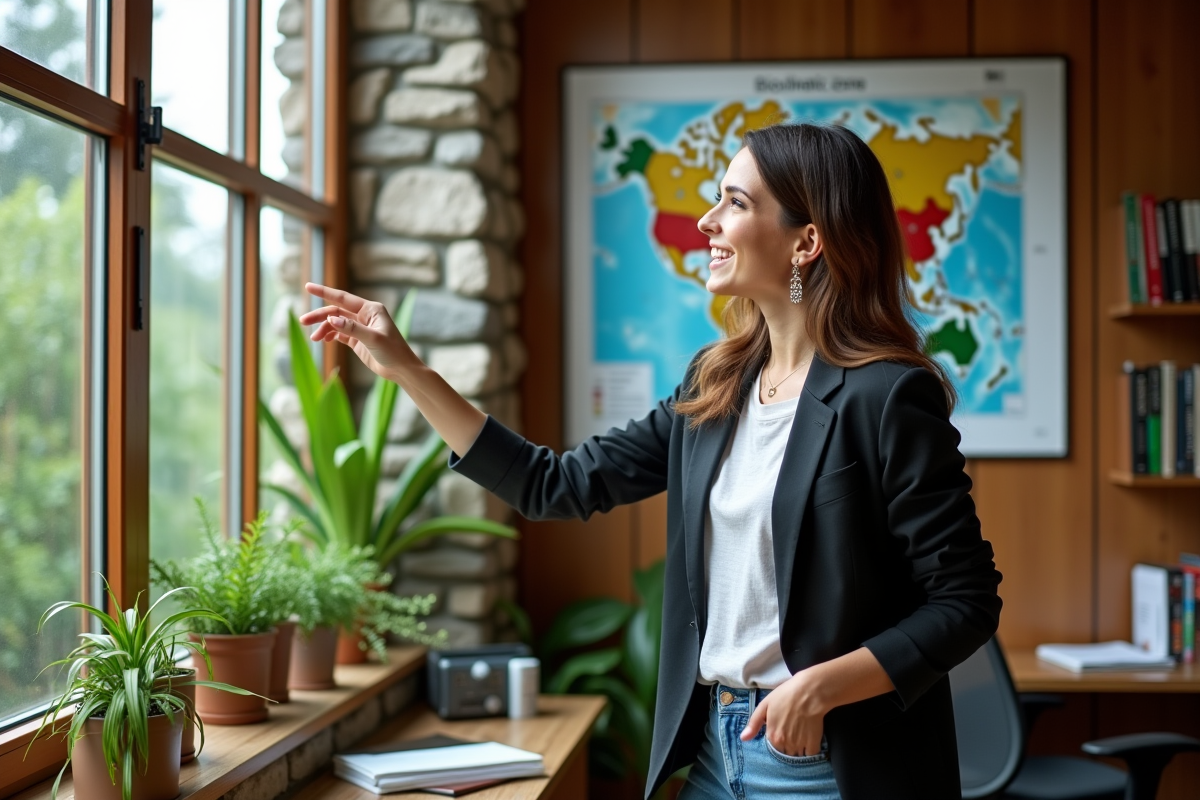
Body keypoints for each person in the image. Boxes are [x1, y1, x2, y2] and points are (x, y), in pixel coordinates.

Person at [300, 122, 1002, 800]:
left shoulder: (886, 394)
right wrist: (410, 372)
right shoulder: (715, 384)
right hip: (716, 751)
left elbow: (965, 601)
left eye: (735, 202)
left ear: (807, 242)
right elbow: (557, 486)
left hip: (826, 766)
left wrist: (819, 686)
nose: (705, 221)